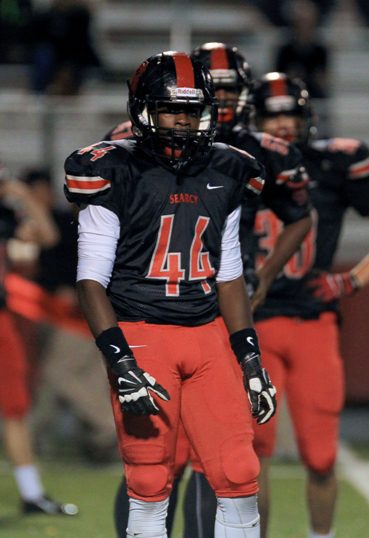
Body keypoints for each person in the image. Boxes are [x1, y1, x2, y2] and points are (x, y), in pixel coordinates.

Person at [64, 50, 278, 538]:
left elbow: (228, 275)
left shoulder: (227, 169)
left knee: (239, 471)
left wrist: (249, 358)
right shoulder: (111, 168)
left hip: (207, 335)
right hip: (142, 333)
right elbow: (91, 280)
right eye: (170, 109)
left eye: (191, 109)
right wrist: (119, 362)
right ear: (143, 110)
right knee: (149, 476)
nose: (182, 121)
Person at [110, 42, 313, 538]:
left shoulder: (255, 154)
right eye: (212, 89)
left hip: (221, 307)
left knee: (224, 459)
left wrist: (260, 277)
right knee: (159, 461)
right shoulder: (126, 148)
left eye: (227, 90)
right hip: (152, 312)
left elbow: (299, 216)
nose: (219, 101)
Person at [249, 72, 369, 538]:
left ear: (307, 119)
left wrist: (351, 281)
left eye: (290, 115)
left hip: (310, 321)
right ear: (255, 118)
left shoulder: (330, 165)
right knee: (250, 456)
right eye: (272, 115)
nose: (282, 125)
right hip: (253, 324)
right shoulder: (238, 163)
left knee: (321, 456)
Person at [21, 168, 117, 463]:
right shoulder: (62, 222)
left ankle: (109, 429)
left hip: (76, 318)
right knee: (61, 380)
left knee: (59, 374)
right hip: (67, 317)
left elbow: (80, 272)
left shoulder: (69, 223)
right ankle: (33, 440)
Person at [0, 161, 78, 516]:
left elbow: (47, 235)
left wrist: (23, 195)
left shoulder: (7, 216)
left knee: (15, 405)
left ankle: (32, 494)